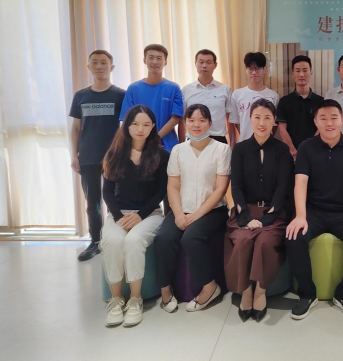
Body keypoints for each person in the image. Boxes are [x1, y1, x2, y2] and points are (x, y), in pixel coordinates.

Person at [286, 99, 343, 321]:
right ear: (315, 121)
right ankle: (307, 294)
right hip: (314, 211)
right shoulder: (306, 147)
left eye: (334, 118)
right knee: (294, 236)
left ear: (342, 120)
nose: (329, 123)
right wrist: (300, 216)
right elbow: (301, 183)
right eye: (323, 118)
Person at [154, 104, 231, 313]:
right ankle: (165, 290)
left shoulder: (221, 149)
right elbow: (173, 186)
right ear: (185, 123)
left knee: (191, 238)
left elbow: (220, 189)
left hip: (212, 211)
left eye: (202, 120)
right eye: (192, 120)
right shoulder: (178, 150)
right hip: (182, 209)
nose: (197, 125)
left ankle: (210, 287)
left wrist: (196, 215)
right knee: (163, 238)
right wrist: (179, 214)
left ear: (210, 123)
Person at [225, 99, 293, 322]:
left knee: (265, 241)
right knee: (243, 240)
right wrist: (245, 217)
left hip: (274, 211)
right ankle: (246, 290)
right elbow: (236, 186)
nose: (262, 123)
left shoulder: (282, 150)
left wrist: (266, 219)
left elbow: (283, 188)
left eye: (267, 118)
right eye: (257, 117)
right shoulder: (240, 149)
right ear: (250, 119)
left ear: (274, 121)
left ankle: (260, 291)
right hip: (246, 210)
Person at [100, 105, 169, 327]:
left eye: (146, 124)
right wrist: (119, 217)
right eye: (136, 124)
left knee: (133, 241)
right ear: (127, 126)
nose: (141, 129)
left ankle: (135, 299)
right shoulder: (114, 154)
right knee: (112, 241)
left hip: (149, 214)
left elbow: (161, 192)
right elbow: (107, 192)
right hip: (118, 214)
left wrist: (140, 216)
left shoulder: (161, 155)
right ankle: (116, 299)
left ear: (153, 127)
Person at [69, 50, 125, 261]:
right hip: (88, 156)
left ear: (111, 67)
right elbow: (76, 128)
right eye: (95, 63)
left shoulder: (120, 95)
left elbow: (126, 127)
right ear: (89, 67)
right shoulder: (81, 96)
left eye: (104, 63)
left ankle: (116, 239)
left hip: (114, 157)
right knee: (92, 203)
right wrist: (74, 155)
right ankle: (95, 242)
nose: (99, 66)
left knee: (116, 200)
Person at [120, 44, 184, 152]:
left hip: (167, 146)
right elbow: (127, 119)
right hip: (139, 146)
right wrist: (145, 139)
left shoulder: (174, 88)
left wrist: (157, 137)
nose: (154, 62)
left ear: (165, 62)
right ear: (144, 60)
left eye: (159, 58)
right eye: (151, 57)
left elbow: (176, 118)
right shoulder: (133, 88)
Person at [180, 49, 234, 146]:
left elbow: (230, 120)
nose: (204, 66)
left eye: (208, 62)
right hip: (193, 139)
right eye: (201, 62)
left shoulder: (225, 89)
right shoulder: (186, 90)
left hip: (218, 140)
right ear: (195, 64)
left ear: (215, 65)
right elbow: (182, 119)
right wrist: (181, 144)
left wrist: (233, 143)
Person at [277, 55, 324, 159]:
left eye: (305, 70)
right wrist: (293, 151)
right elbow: (282, 130)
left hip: (315, 153)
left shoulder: (320, 101)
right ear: (293, 74)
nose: (301, 74)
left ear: (311, 73)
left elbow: (321, 128)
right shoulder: (284, 101)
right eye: (297, 71)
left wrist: (309, 149)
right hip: (290, 155)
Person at [229, 52, 279, 143]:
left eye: (258, 68)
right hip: (244, 143)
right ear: (246, 70)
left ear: (264, 70)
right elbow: (235, 122)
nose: (254, 72)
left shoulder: (273, 96)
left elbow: (274, 124)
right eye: (250, 69)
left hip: (267, 144)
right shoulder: (237, 94)